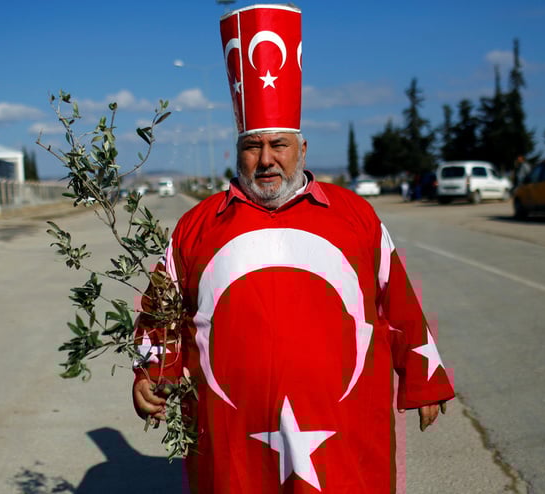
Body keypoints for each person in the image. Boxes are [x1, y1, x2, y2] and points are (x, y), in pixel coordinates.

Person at [131, 5, 454, 493]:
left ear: (302, 149)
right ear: (237, 153)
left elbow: (398, 302)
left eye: (279, 145)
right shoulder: (197, 226)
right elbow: (162, 314)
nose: (266, 160)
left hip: (343, 423)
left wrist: (423, 377)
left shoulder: (355, 215)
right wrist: (152, 373)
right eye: (252, 147)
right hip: (232, 432)